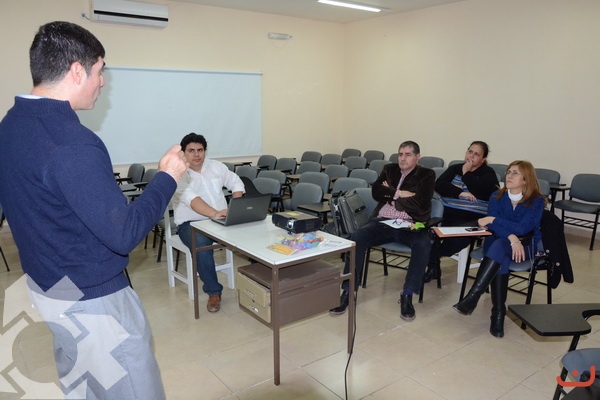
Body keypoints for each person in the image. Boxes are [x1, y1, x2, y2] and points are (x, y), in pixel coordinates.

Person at [0, 21, 188, 399]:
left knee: (84, 384)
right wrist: (167, 178)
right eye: (100, 71)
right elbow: (123, 234)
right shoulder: (73, 144)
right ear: (76, 71)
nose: (102, 82)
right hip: (94, 300)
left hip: (50, 285)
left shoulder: (11, 125)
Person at [329, 141, 435, 321]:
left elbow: (421, 203)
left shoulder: (427, 175)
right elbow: (377, 192)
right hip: (383, 222)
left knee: (423, 244)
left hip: (410, 224)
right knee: (356, 238)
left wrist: (391, 194)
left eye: (408, 155)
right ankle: (347, 291)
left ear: (418, 157)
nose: (402, 158)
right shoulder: (389, 169)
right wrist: (400, 194)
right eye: (400, 154)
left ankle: (407, 294)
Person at [453, 161, 544, 338]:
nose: (509, 176)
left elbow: (522, 228)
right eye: (508, 172)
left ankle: (475, 298)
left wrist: (493, 220)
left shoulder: (536, 201)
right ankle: (498, 313)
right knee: (500, 249)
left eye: (515, 173)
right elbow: (496, 229)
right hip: (498, 242)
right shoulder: (496, 196)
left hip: (525, 246)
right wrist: (511, 238)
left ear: (526, 179)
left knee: (498, 251)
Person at [172, 132, 245, 313]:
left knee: (253, 232)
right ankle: (214, 292)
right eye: (191, 150)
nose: (196, 154)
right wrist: (215, 214)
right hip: (191, 224)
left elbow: (236, 182)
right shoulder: (178, 174)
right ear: (183, 153)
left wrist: (235, 206)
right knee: (202, 245)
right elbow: (192, 200)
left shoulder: (216, 166)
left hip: (222, 219)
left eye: (200, 150)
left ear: (205, 151)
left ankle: (261, 281)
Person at [424, 141, 499, 282]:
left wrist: (467, 174)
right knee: (427, 231)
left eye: (476, 154)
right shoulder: (455, 168)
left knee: (458, 238)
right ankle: (433, 267)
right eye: (470, 152)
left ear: (483, 159)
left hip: (471, 216)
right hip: (447, 212)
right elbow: (439, 185)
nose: (471, 156)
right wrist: (460, 193)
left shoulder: (488, 173)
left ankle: (432, 258)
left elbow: (485, 193)